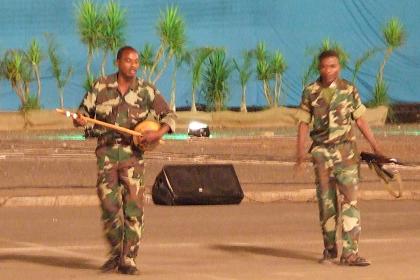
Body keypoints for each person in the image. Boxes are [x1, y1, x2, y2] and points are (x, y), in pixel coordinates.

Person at [73, 45, 176, 275]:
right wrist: (80, 120)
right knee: (108, 205)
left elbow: (169, 115)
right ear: (118, 62)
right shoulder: (101, 86)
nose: (133, 65)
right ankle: (117, 250)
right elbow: (83, 112)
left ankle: (128, 259)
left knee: (133, 208)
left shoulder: (146, 90)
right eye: (128, 61)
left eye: (136, 61)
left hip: (133, 158)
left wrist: (157, 133)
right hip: (107, 155)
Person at [295, 50, 383, 266]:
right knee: (326, 204)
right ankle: (330, 249)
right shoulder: (310, 91)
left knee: (350, 203)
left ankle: (350, 253)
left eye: (332, 66)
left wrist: (376, 146)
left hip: (346, 154)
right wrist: (299, 153)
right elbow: (304, 123)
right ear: (319, 68)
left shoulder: (349, 90)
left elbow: (360, 120)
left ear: (339, 67)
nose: (328, 70)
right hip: (322, 154)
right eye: (324, 66)